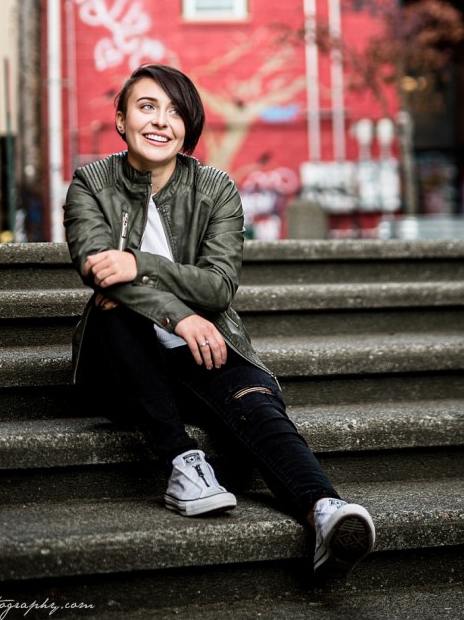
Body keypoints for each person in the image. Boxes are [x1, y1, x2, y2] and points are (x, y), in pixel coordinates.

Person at [64, 63, 375, 577]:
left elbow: (219, 286)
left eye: (175, 111)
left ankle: (324, 510)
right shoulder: (91, 183)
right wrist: (180, 316)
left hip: (204, 349)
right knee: (112, 305)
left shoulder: (215, 188)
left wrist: (139, 264)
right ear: (120, 119)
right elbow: (98, 268)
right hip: (120, 362)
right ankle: (182, 463)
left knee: (255, 401)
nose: (160, 121)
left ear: (188, 126)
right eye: (146, 107)